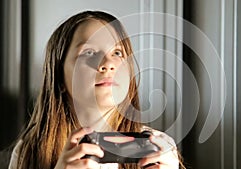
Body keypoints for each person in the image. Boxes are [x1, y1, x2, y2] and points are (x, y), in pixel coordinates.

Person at [8, 10, 184, 169]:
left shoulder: (160, 149)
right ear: (59, 76)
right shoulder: (29, 151)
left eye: (117, 53)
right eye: (89, 52)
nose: (108, 64)